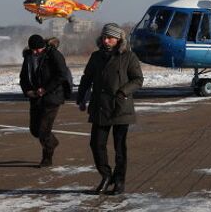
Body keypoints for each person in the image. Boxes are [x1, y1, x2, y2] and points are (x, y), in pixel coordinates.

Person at [77, 23, 144, 195]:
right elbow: (87, 78)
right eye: (104, 37)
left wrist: (123, 92)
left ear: (118, 39)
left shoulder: (129, 57)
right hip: (100, 107)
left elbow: (138, 80)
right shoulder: (96, 56)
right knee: (96, 144)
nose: (106, 41)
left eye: (110, 38)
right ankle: (106, 175)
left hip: (120, 107)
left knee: (120, 148)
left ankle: (119, 181)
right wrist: (81, 96)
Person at [19, 34, 69, 168]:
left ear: (43, 47)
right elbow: (23, 77)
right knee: (34, 129)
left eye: (38, 49)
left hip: (52, 97)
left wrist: (46, 89)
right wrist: (27, 91)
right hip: (35, 97)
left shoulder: (53, 55)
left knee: (43, 130)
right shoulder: (28, 57)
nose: (36, 52)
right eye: (33, 50)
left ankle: (47, 158)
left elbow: (61, 74)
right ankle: (52, 142)